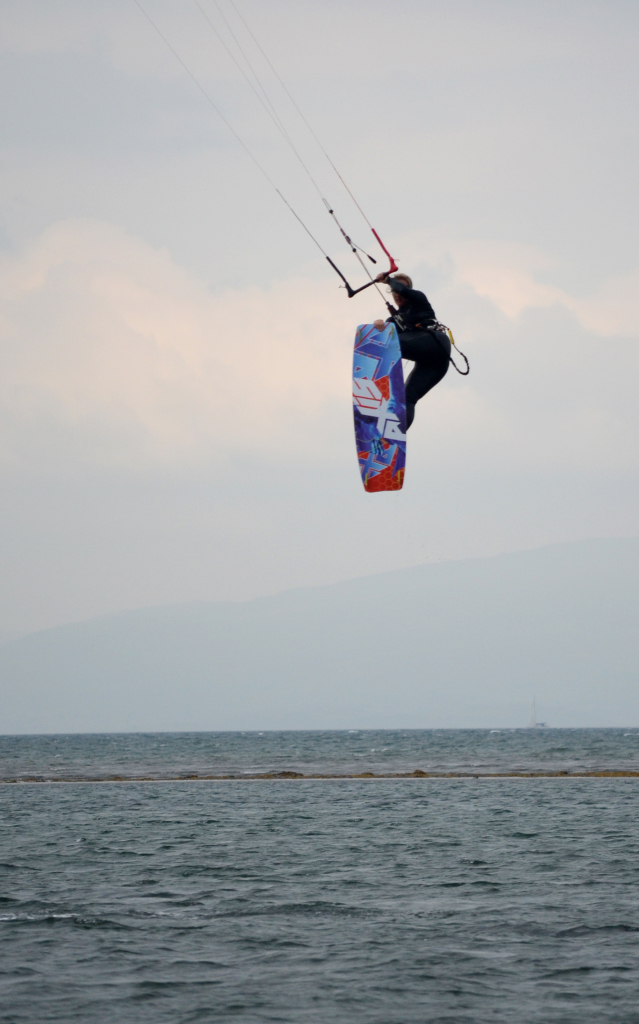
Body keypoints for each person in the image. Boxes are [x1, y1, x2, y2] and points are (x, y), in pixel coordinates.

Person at [373, 272, 450, 429]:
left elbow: (402, 290)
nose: (397, 294)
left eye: (400, 289)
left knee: (390, 344)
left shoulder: (418, 299)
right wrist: (379, 325)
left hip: (436, 344)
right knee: (406, 398)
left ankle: (380, 384)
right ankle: (393, 437)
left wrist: (388, 280)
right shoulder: (396, 319)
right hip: (429, 364)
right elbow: (383, 334)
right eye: (394, 291)